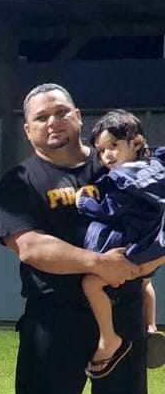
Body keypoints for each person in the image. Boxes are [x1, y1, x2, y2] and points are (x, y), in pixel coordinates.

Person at [0, 84, 163, 394]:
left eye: (61, 112)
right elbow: (29, 246)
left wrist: (141, 264)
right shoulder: (21, 180)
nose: (53, 122)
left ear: (78, 116)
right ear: (27, 129)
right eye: (41, 117)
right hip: (54, 317)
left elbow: (153, 215)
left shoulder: (113, 161)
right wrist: (97, 263)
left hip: (122, 310)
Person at [82, 109, 157, 373]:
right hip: (146, 246)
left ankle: (109, 337)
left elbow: (111, 210)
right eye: (101, 151)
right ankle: (150, 326)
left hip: (133, 248)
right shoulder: (153, 170)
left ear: (136, 143)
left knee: (91, 284)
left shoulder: (128, 178)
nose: (107, 155)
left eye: (113, 146)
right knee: (144, 282)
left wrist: (85, 203)